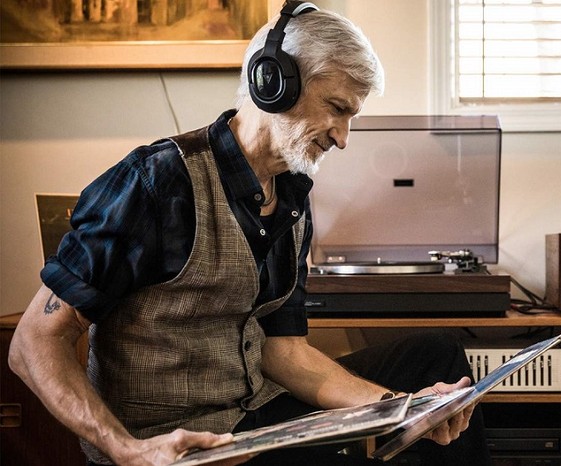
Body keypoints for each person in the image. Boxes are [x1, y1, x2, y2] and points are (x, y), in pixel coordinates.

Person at [8, 2, 492, 466]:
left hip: (255, 423)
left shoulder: (294, 195)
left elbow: (284, 352)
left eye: (352, 117)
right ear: (273, 83)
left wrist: (399, 407)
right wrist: (126, 451)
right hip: (173, 446)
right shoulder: (156, 184)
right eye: (337, 108)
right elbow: (33, 341)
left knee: (438, 356)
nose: (343, 137)